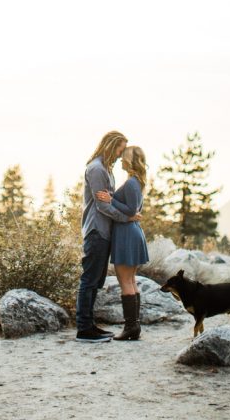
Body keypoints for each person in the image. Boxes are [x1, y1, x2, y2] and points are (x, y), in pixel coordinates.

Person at [75, 130, 142, 342]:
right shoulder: (96, 169)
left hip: (105, 231)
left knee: (96, 280)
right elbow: (102, 205)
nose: (121, 155)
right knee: (89, 280)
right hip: (97, 230)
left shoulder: (106, 169)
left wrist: (117, 204)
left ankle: (90, 325)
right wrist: (127, 218)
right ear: (111, 146)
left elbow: (109, 198)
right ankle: (84, 329)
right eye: (120, 150)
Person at [96, 144, 149, 340]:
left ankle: (130, 328)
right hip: (130, 232)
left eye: (123, 156)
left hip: (127, 234)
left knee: (125, 281)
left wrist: (111, 199)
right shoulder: (135, 181)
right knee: (131, 281)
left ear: (130, 160)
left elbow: (131, 210)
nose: (120, 159)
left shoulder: (133, 183)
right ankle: (134, 327)